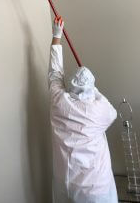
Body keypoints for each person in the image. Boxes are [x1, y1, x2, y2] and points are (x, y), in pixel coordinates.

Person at [49, 16, 118, 203]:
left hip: (66, 186)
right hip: (96, 191)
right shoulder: (100, 110)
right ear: (92, 90)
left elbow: (55, 74)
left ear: (70, 86)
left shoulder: (59, 101)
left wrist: (57, 35)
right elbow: (112, 111)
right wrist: (94, 89)